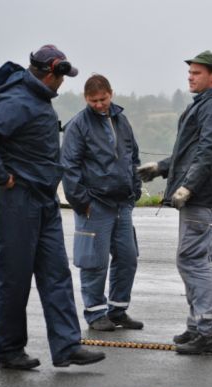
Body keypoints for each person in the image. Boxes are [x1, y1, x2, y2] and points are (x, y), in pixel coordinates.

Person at [0, 45, 105, 369]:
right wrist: (1, 177)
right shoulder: (18, 99)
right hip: (18, 201)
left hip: (44, 199)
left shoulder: (37, 98)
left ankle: (67, 346)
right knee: (15, 277)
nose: (64, 82)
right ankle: (9, 350)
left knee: (56, 274)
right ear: (52, 73)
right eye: (63, 76)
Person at [137, 50, 212, 355]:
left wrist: (188, 187)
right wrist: (161, 167)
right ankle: (196, 326)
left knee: (193, 262)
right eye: (190, 72)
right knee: (194, 261)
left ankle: (207, 331)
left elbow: (209, 151)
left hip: (204, 198)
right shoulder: (207, 103)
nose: (190, 77)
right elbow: (190, 153)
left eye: (197, 73)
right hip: (208, 197)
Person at [61, 74, 144, 332]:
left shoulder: (122, 120)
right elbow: (69, 167)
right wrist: (82, 202)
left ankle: (117, 310)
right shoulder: (77, 125)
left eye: (103, 99)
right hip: (94, 205)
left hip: (122, 203)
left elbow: (133, 156)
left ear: (111, 93)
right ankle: (95, 313)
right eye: (93, 100)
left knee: (127, 258)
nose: (98, 104)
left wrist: (135, 189)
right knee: (94, 262)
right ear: (85, 98)